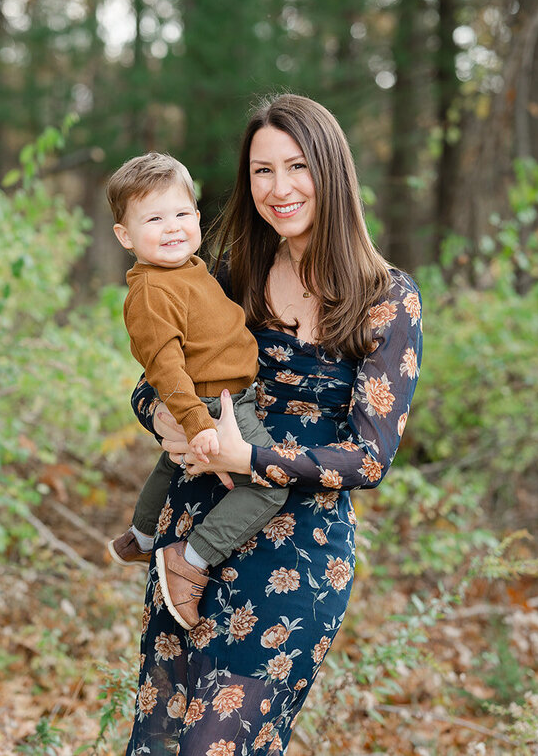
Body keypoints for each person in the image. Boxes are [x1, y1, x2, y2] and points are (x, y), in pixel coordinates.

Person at [124, 94, 423, 755]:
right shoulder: (231, 274)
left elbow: (369, 458)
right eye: (262, 170)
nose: (279, 187)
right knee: (163, 743)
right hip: (195, 533)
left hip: (300, 556)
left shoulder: (387, 298)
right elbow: (154, 376)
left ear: (332, 171)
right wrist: (165, 419)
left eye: (296, 167)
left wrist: (252, 459)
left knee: (215, 744)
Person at [105, 152, 285, 631]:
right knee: (270, 486)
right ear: (125, 236)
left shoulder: (189, 269)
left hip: (221, 396)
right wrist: (197, 423)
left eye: (182, 214)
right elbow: (164, 368)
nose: (172, 228)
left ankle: (142, 536)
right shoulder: (151, 291)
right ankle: (193, 558)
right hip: (215, 404)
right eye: (154, 218)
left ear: (198, 218)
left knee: (174, 462)